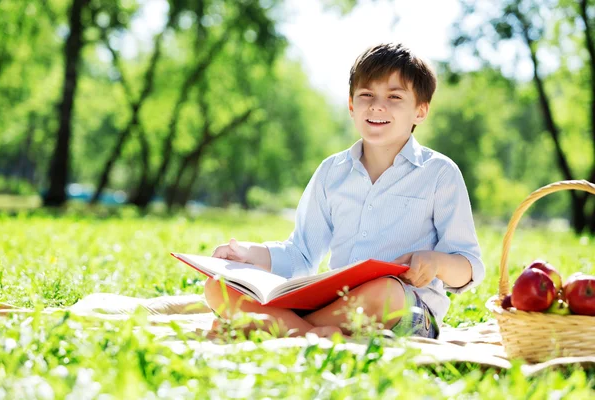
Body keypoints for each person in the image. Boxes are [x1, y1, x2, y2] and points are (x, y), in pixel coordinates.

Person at [204, 43, 484, 339]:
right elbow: (301, 253)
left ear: (420, 111)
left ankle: (277, 326)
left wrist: (437, 262)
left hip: (402, 307)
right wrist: (247, 253)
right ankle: (316, 333)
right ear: (352, 106)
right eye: (367, 95)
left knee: (384, 292)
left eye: (394, 97)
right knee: (218, 287)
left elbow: (469, 266)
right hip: (336, 304)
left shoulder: (440, 173)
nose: (377, 105)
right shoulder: (331, 172)